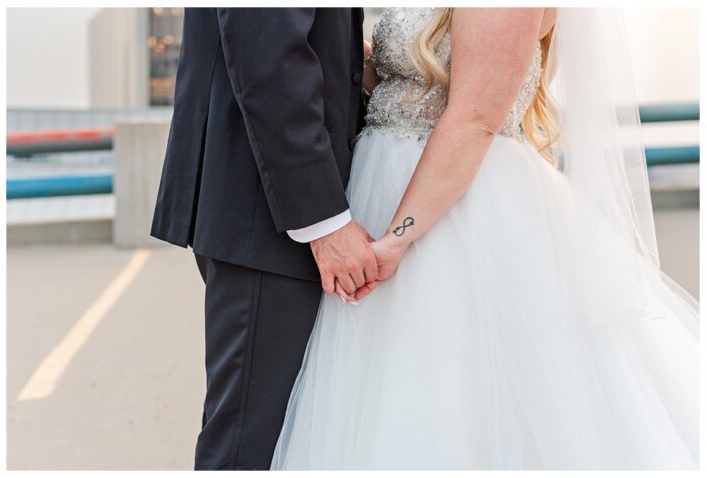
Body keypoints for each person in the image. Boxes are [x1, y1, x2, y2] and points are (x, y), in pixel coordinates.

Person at [271, 7, 699, 469]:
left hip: (459, 208)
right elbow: (404, 84)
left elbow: (475, 117)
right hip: (378, 190)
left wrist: (396, 240)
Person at [151, 8, 371, 470]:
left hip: (256, 205)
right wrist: (324, 220)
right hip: (266, 216)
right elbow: (269, 55)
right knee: (248, 447)